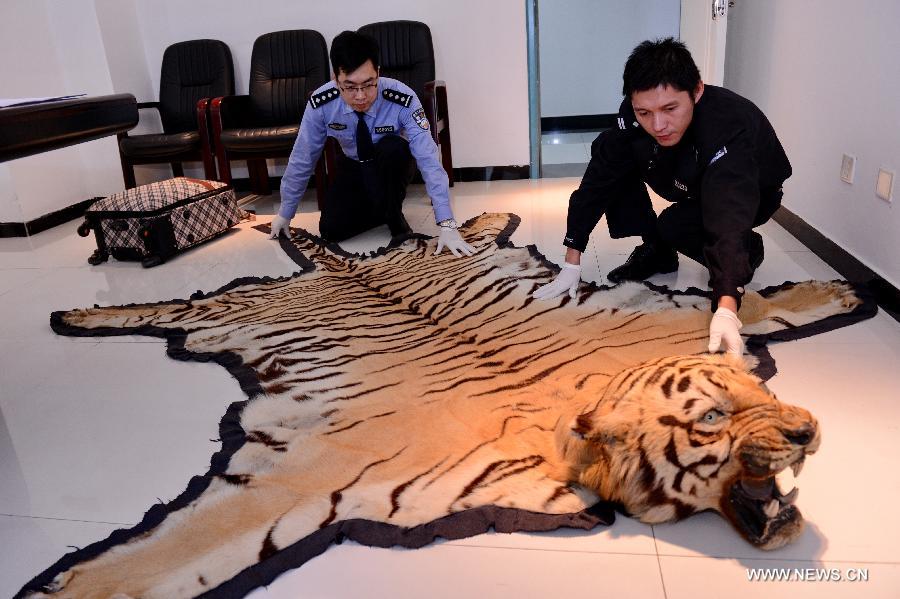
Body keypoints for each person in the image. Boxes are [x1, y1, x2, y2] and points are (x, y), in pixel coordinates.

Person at [533, 38, 791, 355]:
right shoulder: (634, 117)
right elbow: (596, 183)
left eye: (670, 109)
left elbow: (729, 211)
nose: (658, 125)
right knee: (614, 150)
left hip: (753, 192)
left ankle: (747, 251)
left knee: (678, 226)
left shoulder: (728, 127)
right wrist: (572, 259)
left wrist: (726, 304)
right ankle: (656, 251)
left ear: (696, 91)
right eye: (644, 112)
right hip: (687, 177)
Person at [270, 30, 473, 257]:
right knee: (331, 230)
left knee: (393, 148)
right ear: (335, 79)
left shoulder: (402, 97)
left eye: (368, 84)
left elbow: (428, 157)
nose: (360, 96)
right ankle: (381, 209)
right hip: (353, 164)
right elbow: (303, 157)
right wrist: (285, 213)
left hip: (392, 164)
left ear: (378, 73)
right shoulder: (321, 104)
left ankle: (392, 213)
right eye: (349, 86)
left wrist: (447, 223)